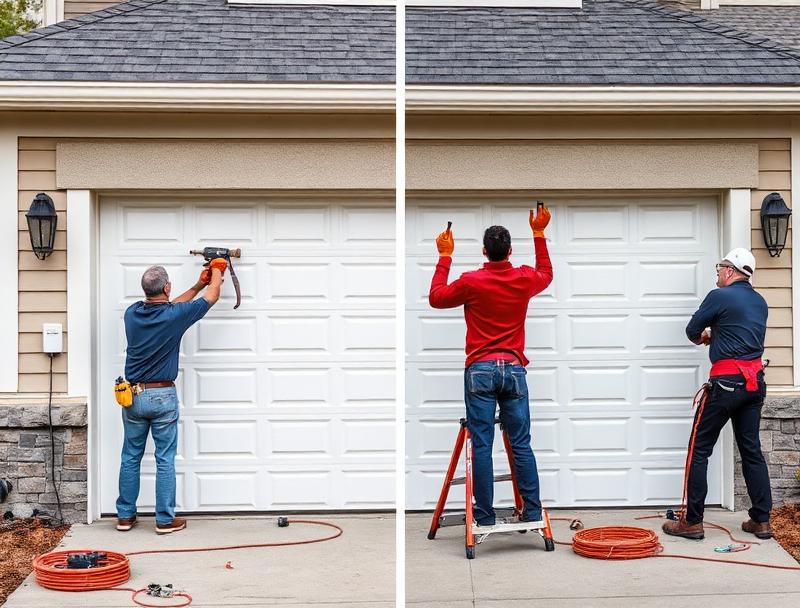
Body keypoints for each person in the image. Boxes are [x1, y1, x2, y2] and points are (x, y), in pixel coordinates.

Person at [429, 206, 553, 525]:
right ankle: (533, 511)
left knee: (482, 444)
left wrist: (445, 256)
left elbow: (436, 297)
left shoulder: (472, 281)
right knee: (521, 443)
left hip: (481, 371)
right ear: (510, 251)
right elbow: (547, 273)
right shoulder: (524, 277)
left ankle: (484, 517)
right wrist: (538, 234)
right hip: (513, 370)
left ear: (485, 251)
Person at [663, 248, 772, 540]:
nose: (717, 273)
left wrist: (705, 336)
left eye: (719, 268)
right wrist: (718, 333)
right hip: (754, 384)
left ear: (730, 270)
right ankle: (761, 521)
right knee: (751, 451)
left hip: (725, 385)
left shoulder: (719, 296)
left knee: (699, 449)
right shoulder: (760, 301)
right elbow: (740, 332)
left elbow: (692, 330)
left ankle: (692, 522)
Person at [116, 259, 226, 534]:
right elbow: (212, 296)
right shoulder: (173, 316)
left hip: (132, 395)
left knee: (130, 456)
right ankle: (164, 520)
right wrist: (217, 272)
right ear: (166, 287)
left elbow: (173, 305)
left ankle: (125, 517)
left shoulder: (132, 313)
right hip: (162, 396)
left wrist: (197, 284)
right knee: (165, 458)